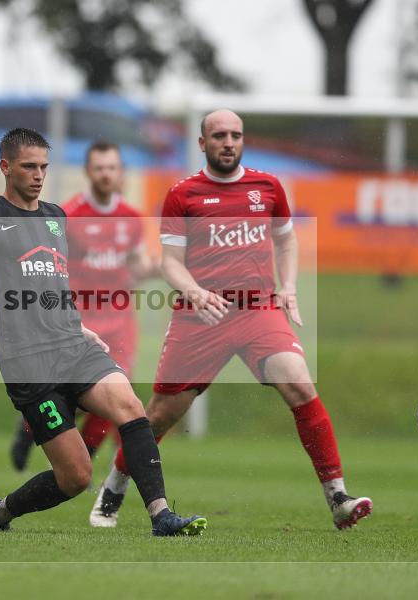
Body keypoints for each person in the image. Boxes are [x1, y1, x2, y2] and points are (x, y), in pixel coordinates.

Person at [90, 110, 373, 530]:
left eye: (235, 135)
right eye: (218, 135)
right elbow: (170, 264)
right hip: (199, 317)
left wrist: (289, 284)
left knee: (299, 382)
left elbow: (286, 241)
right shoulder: (183, 195)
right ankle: (113, 490)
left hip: (258, 309)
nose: (228, 142)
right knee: (159, 417)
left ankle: (338, 498)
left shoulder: (268, 187)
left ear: (243, 141)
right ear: (202, 144)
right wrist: (195, 292)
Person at [0, 127, 205, 536]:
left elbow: (55, 283)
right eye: (29, 167)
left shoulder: (56, 217)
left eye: (44, 166)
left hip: (74, 346)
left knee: (130, 406)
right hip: (28, 362)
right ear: (6, 167)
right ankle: (1, 512)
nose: (38, 175)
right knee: (75, 476)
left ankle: (161, 516)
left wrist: (80, 325)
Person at [8, 140, 156, 475]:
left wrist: (158, 268)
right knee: (68, 397)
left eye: (112, 167)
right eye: (100, 167)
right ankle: (28, 429)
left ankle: (84, 459)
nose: (106, 174)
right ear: (89, 171)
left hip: (119, 321)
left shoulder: (131, 219)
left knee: (115, 397)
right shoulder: (68, 215)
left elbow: (133, 268)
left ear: (121, 173)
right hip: (79, 319)